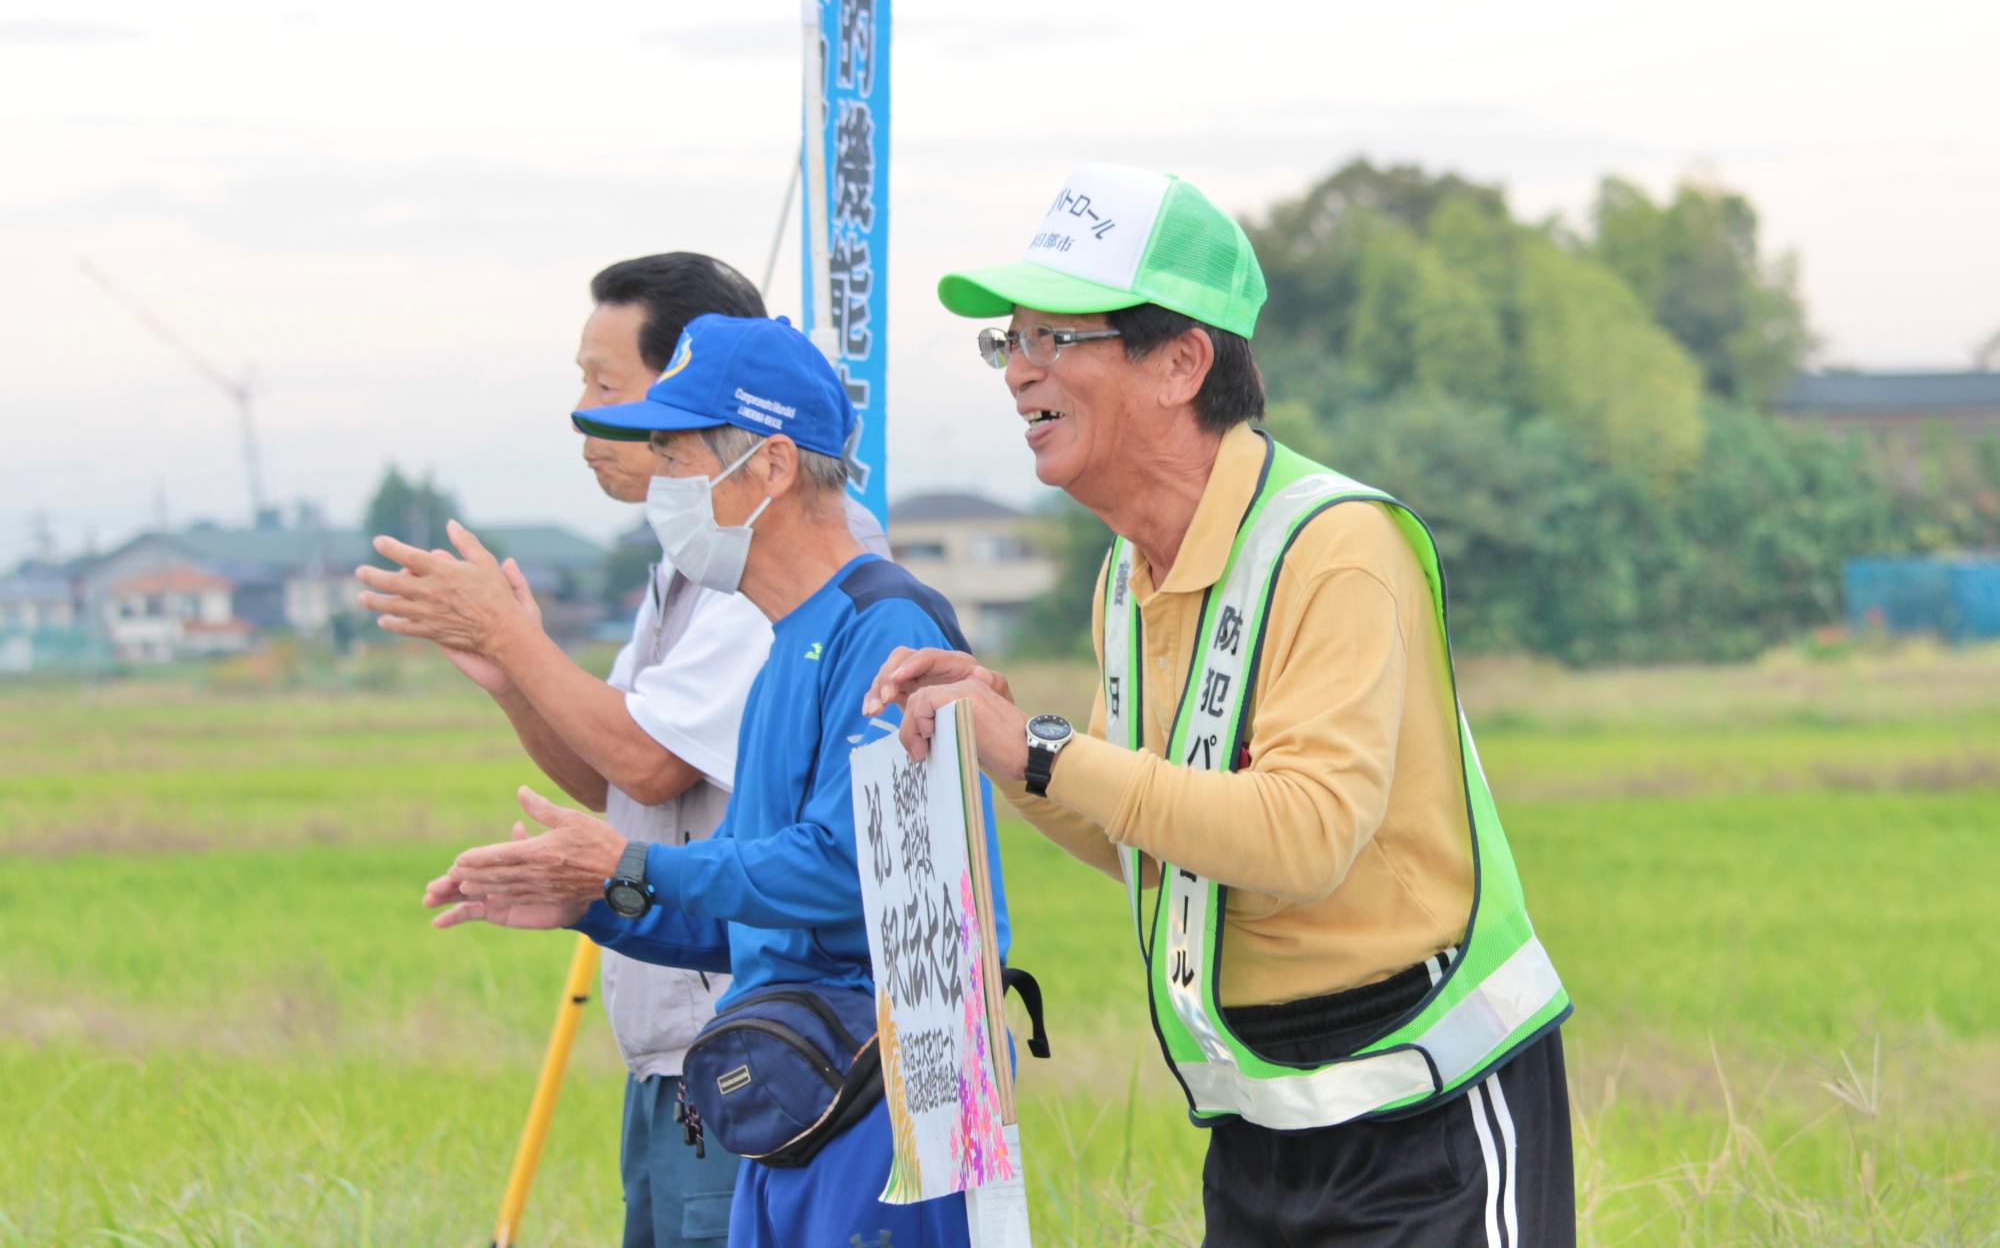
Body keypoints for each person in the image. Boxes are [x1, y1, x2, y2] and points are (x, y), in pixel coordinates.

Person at [866, 164, 1575, 1246]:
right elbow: (1153, 836)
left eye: (1052, 339)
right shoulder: (1129, 571)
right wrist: (999, 743)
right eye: (1006, 342)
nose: (1016, 373)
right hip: (1258, 1126)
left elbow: (1302, 835)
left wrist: (1048, 750)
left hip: (1425, 1108)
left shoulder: (1335, 544)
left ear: (1180, 362)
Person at [417, 311, 1012, 1248]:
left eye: (676, 453)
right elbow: (752, 900)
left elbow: (846, 871)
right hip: (798, 1097)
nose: (659, 484)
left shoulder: (889, 632)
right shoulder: (785, 646)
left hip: (897, 1099)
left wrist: (633, 862)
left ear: (771, 466)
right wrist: (592, 894)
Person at [356, 253, 882, 1247]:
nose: (590, 419)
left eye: (612, 387)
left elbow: (654, 768)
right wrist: (511, 674)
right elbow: (612, 773)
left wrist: (517, 640)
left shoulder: (810, 588)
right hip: (684, 1048)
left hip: (771, 1047)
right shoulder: (693, 568)